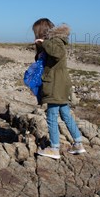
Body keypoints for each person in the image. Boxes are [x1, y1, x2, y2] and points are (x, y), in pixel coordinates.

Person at [32, 18, 85, 159]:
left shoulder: (54, 42)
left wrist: (45, 43)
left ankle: (54, 148)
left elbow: (58, 54)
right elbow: (47, 60)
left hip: (55, 85)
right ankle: (78, 143)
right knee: (65, 114)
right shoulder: (55, 42)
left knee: (51, 117)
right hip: (61, 84)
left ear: (41, 32)